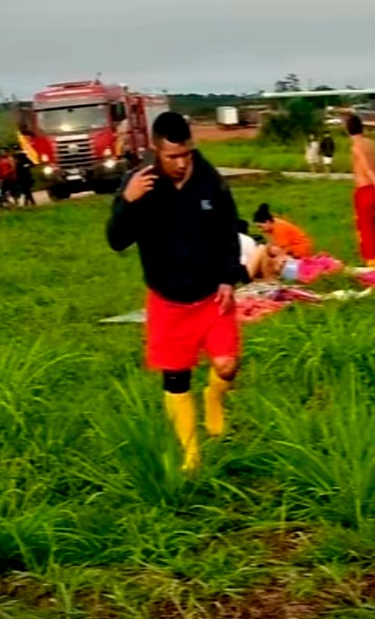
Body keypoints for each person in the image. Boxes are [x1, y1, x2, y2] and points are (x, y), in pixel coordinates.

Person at [106, 112, 246, 475]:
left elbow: (228, 233)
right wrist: (128, 202)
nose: (182, 164)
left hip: (213, 296)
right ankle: (191, 455)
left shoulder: (210, 180)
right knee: (175, 379)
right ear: (156, 150)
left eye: (186, 154)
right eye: (172, 157)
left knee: (228, 366)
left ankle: (214, 396)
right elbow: (116, 240)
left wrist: (230, 278)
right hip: (168, 300)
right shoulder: (139, 183)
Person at [346, 114, 375, 269]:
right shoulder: (371, 143)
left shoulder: (356, 147)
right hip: (374, 189)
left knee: (366, 228)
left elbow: (367, 168)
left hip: (365, 189)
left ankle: (372, 263)